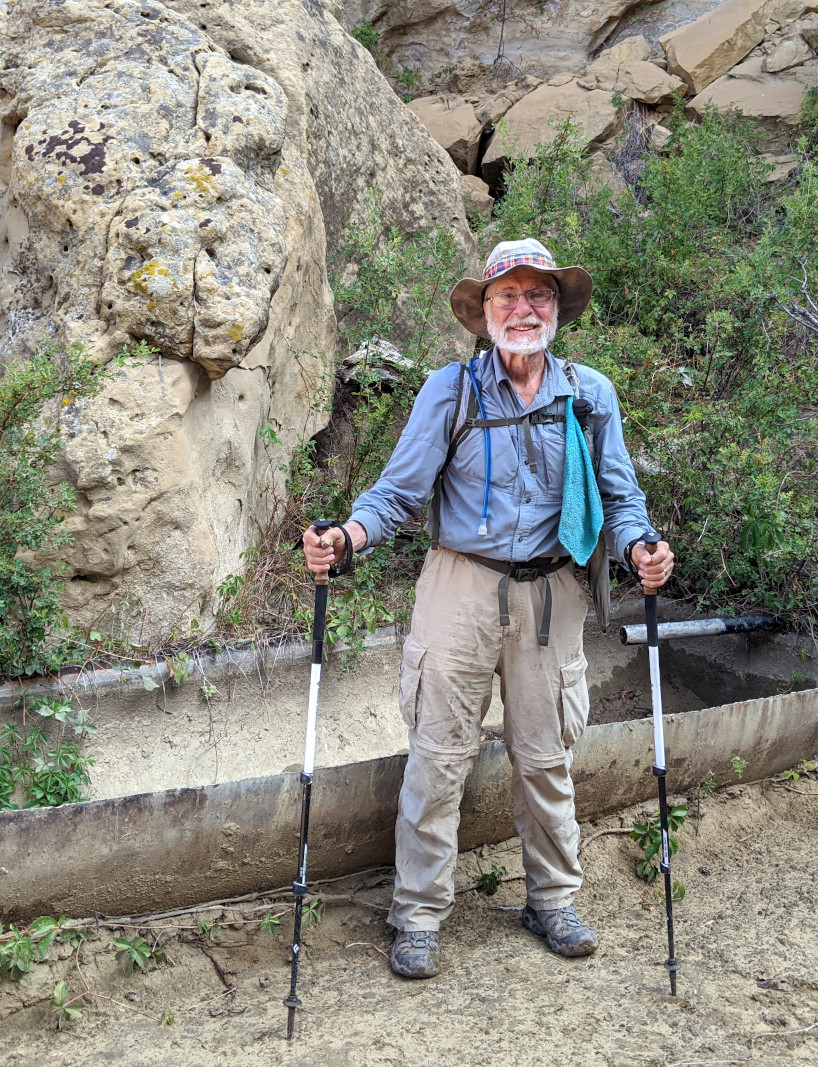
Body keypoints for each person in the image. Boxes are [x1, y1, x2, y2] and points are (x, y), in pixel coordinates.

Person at [303, 238, 674, 978]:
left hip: (551, 592)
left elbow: (622, 497)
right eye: (508, 297)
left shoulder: (589, 394)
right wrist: (346, 536)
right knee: (438, 754)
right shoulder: (452, 391)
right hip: (460, 584)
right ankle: (416, 913)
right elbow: (398, 494)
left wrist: (642, 548)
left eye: (538, 295)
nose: (524, 309)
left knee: (546, 755)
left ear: (558, 308)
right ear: (484, 312)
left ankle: (553, 898)